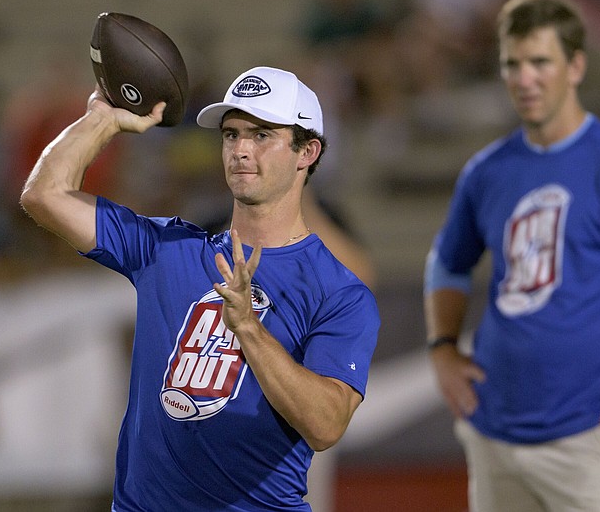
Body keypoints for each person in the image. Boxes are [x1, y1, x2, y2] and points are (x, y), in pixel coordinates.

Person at [20, 65, 380, 511]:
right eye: (231, 134)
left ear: (307, 151)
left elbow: (326, 426)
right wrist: (102, 119)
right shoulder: (169, 248)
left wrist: (248, 328)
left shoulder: (339, 292)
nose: (241, 150)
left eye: (262, 134)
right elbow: (44, 194)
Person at [424, 0, 600, 512]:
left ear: (576, 66)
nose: (524, 78)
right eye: (512, 63)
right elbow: (446, 262)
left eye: (540, 62)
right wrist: (441, 348)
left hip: (587, 441)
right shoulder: (488, 171)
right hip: (494, 435)